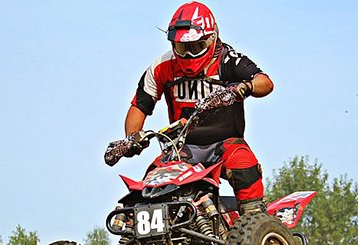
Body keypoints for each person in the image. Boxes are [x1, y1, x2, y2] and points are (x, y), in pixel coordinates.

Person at [107, 1, 274, 215]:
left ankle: (255, 222)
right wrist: (131, 139)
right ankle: (144, 233)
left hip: (225, 145)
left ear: (212, 38)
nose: (187, 55)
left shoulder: (228, 59)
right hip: (182, 147)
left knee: (244, 162)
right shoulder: (161, 66)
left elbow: (265, 82)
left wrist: (243, 88)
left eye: (195, 47)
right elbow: (139, 106)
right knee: (152, 180)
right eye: (181, 47)